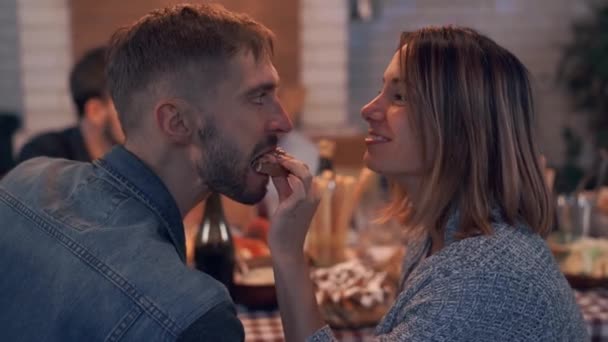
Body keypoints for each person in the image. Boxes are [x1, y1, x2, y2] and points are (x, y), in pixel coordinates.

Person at [267, 26, 589, 341]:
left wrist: (288, 251)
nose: (369, 109)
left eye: (399, 96)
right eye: (382, 91)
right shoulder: (433, 235)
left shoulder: (481, 275)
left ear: (461, 127)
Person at [0, 4, 293, 341]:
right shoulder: (195, 318)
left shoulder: (25, 179)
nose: (283, 122)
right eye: (258, 97)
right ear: (177, 122)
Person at [16, 46, 124, 163]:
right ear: (95, 111)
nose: (141, 115)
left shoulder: (138, 159)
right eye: (129, 104)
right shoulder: (43, 157)